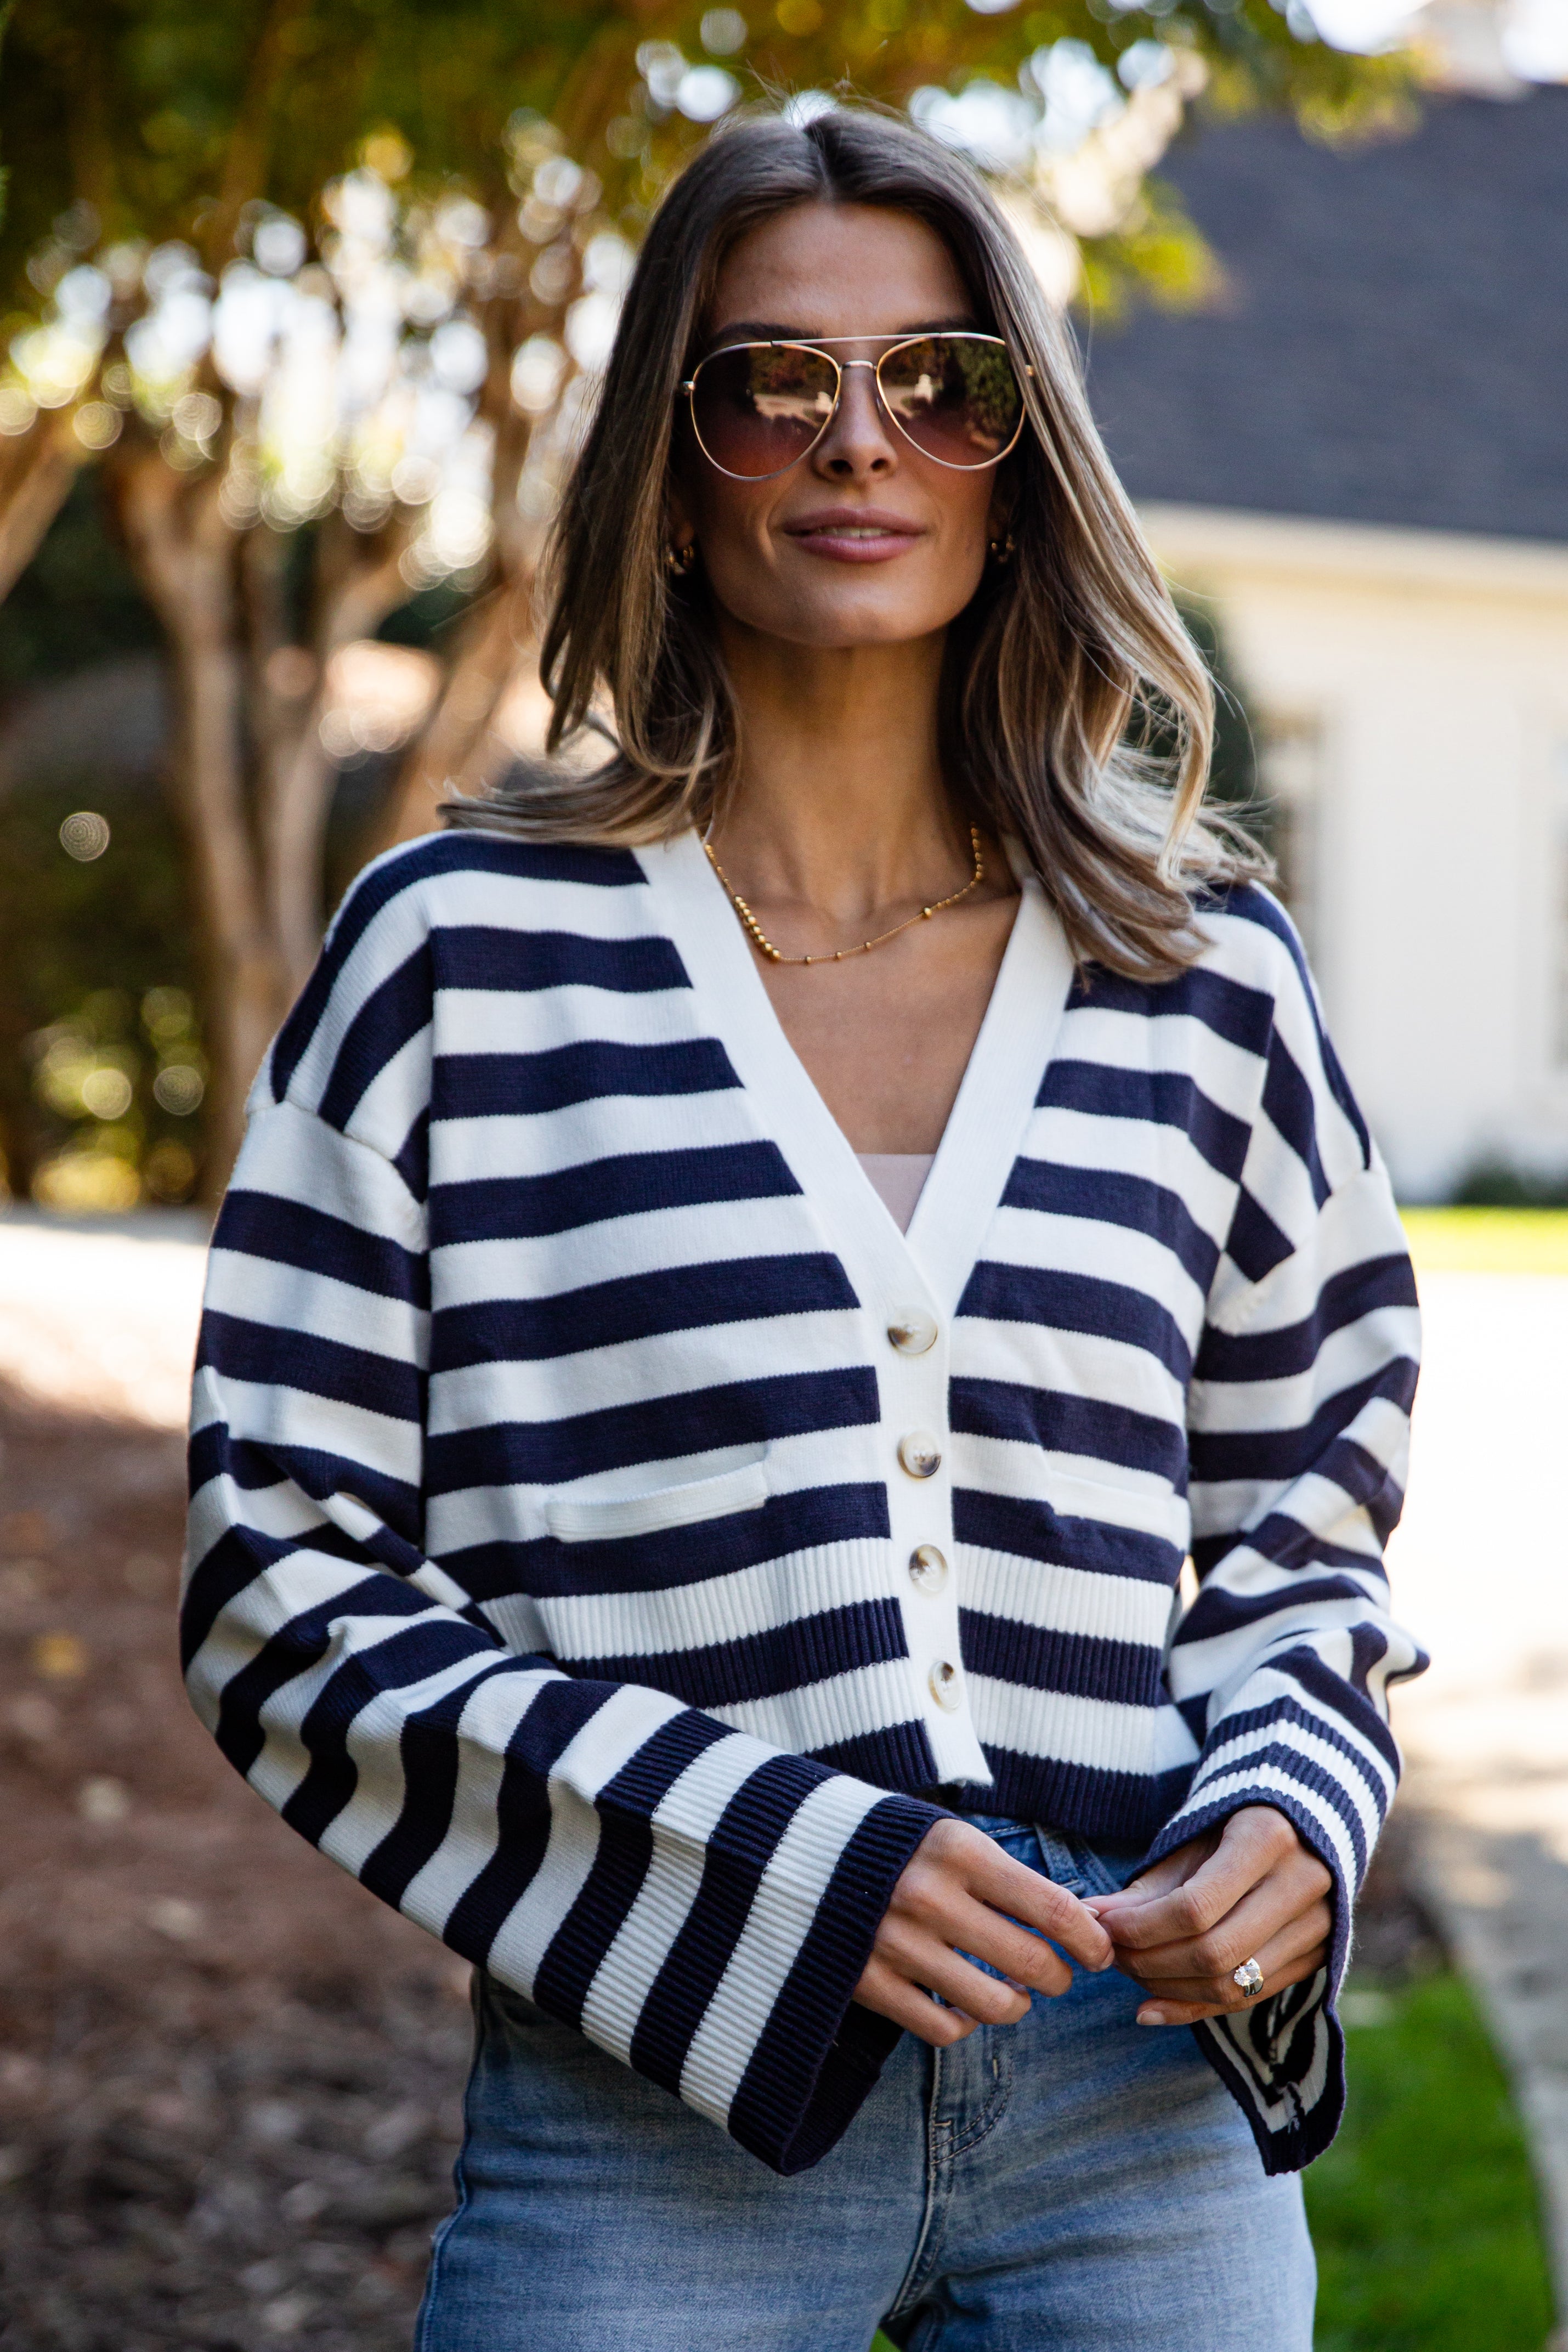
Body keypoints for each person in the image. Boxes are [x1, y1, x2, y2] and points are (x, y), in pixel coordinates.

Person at [182, 105, 1424, 2352]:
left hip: (1142, 2106)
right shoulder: (458, 960)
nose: (862, 440)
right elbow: (280, 1572)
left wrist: (1288, 1807)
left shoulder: (1202, 973)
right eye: (774, 381)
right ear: (672, 466)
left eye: (940, 381)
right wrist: (780, 1861)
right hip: (651, 2107)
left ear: (1019, 450)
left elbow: (1307, 1524)